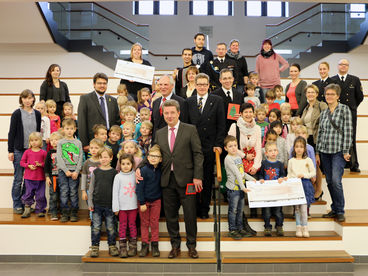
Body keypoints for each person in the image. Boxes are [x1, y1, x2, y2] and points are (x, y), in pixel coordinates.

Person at [143, 99, 203, 259]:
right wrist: (138, 168)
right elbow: (153, 153)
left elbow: (198, 154)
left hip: (189, 180)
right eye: (166, 113)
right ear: (163, 114)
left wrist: (198, 176)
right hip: (167, 181)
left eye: (172, 113)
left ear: (178, 113)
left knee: (190, 214)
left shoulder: (190, 129)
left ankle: (192, 246)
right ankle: (175, 246)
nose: (169, 116)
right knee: (171, 215)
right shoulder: (159, 133)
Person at [187, 73, 226, 219]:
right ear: (195, 85)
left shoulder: (217, 100)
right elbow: (185, 124)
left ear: (209, 85)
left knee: (207, 179)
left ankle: (204, 209)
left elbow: (221, 125)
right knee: (193, 178)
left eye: (205, 84)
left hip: (210, 147)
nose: (202, 87)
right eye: (199, 84)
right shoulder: (189, 101)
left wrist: (218, 144)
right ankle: (194, 208)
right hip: (193, 147)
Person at [316, 84, 353, 222]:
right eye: (327, 94)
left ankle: (340, 210)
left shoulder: (344, 109)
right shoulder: (324, 113)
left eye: (332, 94)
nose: (329, 96)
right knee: (330, 181)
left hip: (338, 152)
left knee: (336, 181)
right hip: (325, 152)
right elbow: (320, 133)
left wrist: (345, 151)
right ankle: (335, 208)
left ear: (337, 96)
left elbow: (348, 132)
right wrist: (318, 152)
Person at [8, 89, 41, 214]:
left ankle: (25, 202)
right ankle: (17, 204)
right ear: (21, 99)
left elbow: (37, 133)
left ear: (33, 99)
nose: (27, 100)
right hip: (19, 151)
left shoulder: (37, 114)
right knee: (18, 179)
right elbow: (11, 133)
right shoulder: (17, 113)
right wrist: (10, 150)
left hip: (33, 151)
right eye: (25, 98)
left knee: (29, 180)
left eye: (30, 98)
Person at [331, 59, 364, 172]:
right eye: (341, 64)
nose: (343, 66)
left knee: (351, 137)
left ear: (348, 67)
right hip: (337, 113)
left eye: (345, 64)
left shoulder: (355, 80)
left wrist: (352, 107)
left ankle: (354, 164)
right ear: (337, 66)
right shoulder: (332, 80)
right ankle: (340, 164)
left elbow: (360, 97)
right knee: (337, 137)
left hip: (350, 113)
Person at [89, 147, 119, 258]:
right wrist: (90, 203)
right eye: (101, 157)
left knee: (111, 227)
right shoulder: (95, 172)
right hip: (97, 204)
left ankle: (112, 246)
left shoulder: (114, 173)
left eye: (106, 157)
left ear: (111, 158)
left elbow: (117, 191)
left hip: (110, 205)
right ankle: (95, 247)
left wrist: (117, 206)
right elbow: (91, 189)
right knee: (96, 226)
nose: (104, 159)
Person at [78, 73, 120, 151]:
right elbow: (82, 122)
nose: (102, 85)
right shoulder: (85, 99)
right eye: (99, 83)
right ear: (94, 84)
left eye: (104, 83)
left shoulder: (113, 100)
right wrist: (84, 144)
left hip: (111, 141)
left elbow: (117, 122)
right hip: (93, 142)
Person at [224, 135, 255, 240]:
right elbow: (236, 173)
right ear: (225, 148)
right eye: (230, 146)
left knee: (240, 210)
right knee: (233, 210)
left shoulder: (238, 157)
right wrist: (243, 187)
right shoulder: (228, 159)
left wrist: (252, 180)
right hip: (234, 190)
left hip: (240, 188)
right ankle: (232, 229)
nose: (233, 148)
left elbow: (242, 173)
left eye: (235, 145)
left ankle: (240, 228)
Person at [301, 84, 328, 200]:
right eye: (308, 92)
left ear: (317, 94)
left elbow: (326, 121)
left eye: (312, 92)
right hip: (307, 139)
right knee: (309, 165)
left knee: (317, 165)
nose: (310, 94)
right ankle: (312, 189)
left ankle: (318, 190)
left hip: (317, 139)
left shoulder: (321, 105)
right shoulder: (306, 108)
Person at [136, 145, 162, 257]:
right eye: (151, 156)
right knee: (145, 223)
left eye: (156, 156)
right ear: (147, 157)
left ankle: (155, 245)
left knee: (154, 223)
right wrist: (141, 202)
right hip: (144, 202)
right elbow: (139, 188)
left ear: (161, 159)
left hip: (156, 200)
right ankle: (144, 245)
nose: (153, 158)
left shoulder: (161, 170)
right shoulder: (143, 170)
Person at [288, 137, 316, 238]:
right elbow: (289, 174)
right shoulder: (291, 161)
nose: (299, 149)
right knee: (297, 209)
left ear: (304, 148)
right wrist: (284, 179)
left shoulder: (308, 160)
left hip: (305, 185)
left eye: (301, 147)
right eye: (297, 147)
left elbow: (313, 172)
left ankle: (305, 227)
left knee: (304, 209)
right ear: (294, 148)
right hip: (295, 185)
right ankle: (298, 227)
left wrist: (304, 175)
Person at [57, 119, 83, 222]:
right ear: (63, 129)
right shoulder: (60, 143)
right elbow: (59, 157)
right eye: (67, 129)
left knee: (73, 192)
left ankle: (73, 212)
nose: (69, 131)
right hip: (63, 171)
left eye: (71, 129)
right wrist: (65, 170)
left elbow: (81, 157)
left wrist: (76, 171)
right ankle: (64, 212)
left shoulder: (78, 142)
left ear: (75, 129)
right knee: (64, 192)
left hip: (75, 171)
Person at [258, 142, 287, 236]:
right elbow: (261, 174)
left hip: (277, 192)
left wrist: (281, 178)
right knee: (266, 211)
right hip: (267, 192)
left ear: (277, 151)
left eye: (274, 150)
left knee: (278, 211)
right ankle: (267, 227)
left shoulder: (280, 164)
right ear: (266, 153)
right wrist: (261, 179)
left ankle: (279, 226)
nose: (273, 152)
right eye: (270, 151)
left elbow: (283, 174)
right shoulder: (264, 163)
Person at [113, 153, 138, 258]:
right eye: (123, 164)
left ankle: (133, 246)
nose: (126, 166)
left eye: (128, 163)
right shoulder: (118, 177)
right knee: (122, 225)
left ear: (132, 164)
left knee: (132, 225)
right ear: (120, 165)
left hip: (133, 207)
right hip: (122, 208)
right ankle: (123, 247)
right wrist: (116, 207)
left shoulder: (135, 175)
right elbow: (115, 192)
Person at [19, 132, 47, 218]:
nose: (34, 142)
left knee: (40, 195)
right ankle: (27, 209)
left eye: (36, 140)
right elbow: (21, 162)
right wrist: (28, 166)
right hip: (29, 178)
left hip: (40, 178)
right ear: (29, 142)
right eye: (32, 140)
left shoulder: (43, 152)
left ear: (40, 142)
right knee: (28, 193)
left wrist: (41, 164)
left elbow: (47, 164)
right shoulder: (27, 152)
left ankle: (40, 210)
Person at [80, 138, 104, 217]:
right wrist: (83, 191)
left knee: (100, 207)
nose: (93, 150)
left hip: (100, 190)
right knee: (91, 207)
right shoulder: (87, 162)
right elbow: (83, 177)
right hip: (88, 189)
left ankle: (99, 222)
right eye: (92, 148)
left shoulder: (103, 162)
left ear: (101, 149)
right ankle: (93, 223)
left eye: (96, 148)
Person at [45, 131, 63, 220]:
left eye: (56, 140)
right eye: (52, 140)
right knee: (54, 195)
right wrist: (47, 177)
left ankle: (64, 211)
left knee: (63, 195)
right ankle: (53, 212)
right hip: (53, 177)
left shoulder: (64, 152)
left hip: (63, 177)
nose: (54, 142)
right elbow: (47, 166)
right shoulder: (49, 153)